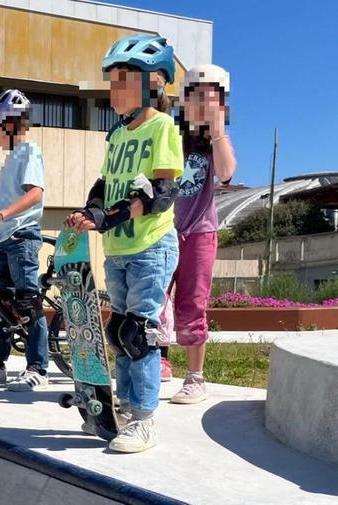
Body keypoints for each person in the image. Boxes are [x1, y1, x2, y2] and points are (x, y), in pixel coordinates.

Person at [65, 33, 182, 453]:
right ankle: (127, 409)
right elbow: (104, 185)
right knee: (117, 332)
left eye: (123, 82)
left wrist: (110, 217)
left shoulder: (161, 127)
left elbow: (162, 192)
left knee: (139, 333)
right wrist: (89, 212)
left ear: (153, 82)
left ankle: (145, 420)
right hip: (117, 249)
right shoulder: (116, 135)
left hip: (151, 245)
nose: (114, 91)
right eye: (111, 82)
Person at [161, 64, 237, 402]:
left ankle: (195, 378)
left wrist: (217, 129)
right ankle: (160, 360)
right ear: (184, 98)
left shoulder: (214, 142)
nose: (203, 103)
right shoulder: (170, 134)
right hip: (162, 232)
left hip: (199, 233)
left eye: (211, 97)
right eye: (196, 95)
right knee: (155, 299)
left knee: (192, 304)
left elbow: (226, 173)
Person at [0, 89, 50, 392]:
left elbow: (35, 193)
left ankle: (38, 367)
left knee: (27, 304)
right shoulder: (8, 161)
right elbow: (1, 203)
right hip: (0, 240)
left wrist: (0, 216)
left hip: (21, 236)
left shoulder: (28, 152)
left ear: (12, 123)